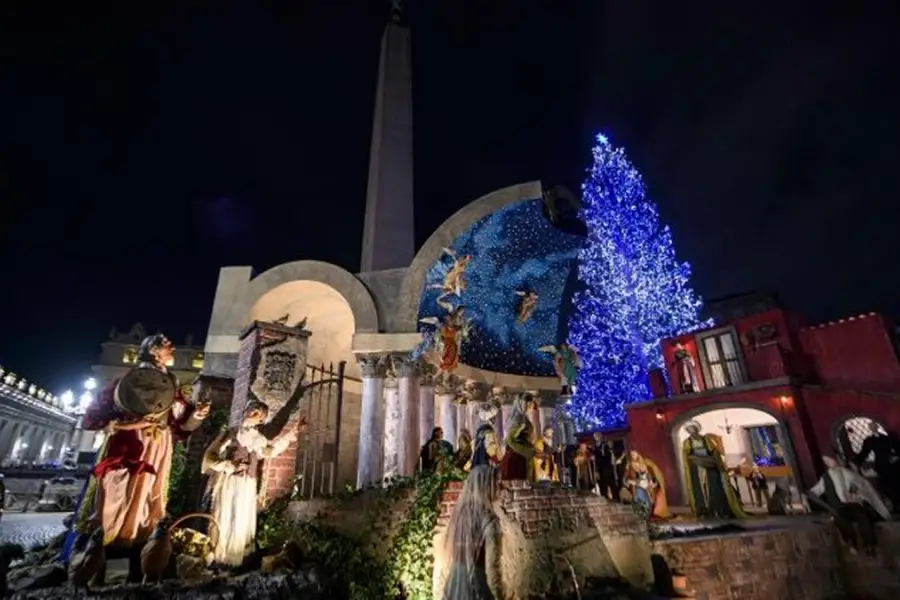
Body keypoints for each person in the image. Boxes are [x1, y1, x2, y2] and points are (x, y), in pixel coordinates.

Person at [62, 334, 209, 573]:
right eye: (166, 345)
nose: (172, 347)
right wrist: (123, 425)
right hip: (129, 441)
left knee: (149, 493)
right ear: (153, 350)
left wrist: (198, 414)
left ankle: (141, 541)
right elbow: (94, 416)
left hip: (159, 444)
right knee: (118, 489)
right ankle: (105, 543)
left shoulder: (171, 383)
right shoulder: (127, 380)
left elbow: (180, 424)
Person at [203, 400, 302, 566]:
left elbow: (270, 451)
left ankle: (234, 561)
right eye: (253, 410)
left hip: (247, 485)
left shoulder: (257, 439)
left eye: (259, 414)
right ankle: (217, 556)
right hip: (230, 483)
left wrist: (291, 434)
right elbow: (210, 457)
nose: (254, 414)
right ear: (245, 411)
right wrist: (229, 465)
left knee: (241, 519)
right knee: (225, 516)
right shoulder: (232, 434)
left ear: (262, 420)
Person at [807, 455, 891, 556]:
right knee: (840, 518)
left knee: (863, 516)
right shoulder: (826, 478)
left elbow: (863, 487)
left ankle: (869, 545)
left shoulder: (850, 474)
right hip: (839, 508)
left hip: (854, 505)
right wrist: (828, 507)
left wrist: (856, 495)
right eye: (827, 461)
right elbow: (813, 493)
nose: (830, 462)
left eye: (831, 459)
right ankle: (852, 543)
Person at [442, 465, 502, 600]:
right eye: (496, 483)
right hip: (477, 587)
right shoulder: (490, 521)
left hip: (454, 585)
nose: (500, 488)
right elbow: (493, 570)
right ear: (486, 486)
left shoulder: (460, 514)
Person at [681, 421, 746, 519]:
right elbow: (687, 455)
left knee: (715, 487)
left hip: (710, 468)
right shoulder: (686, 442)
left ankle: (718, 510)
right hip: (697, 469)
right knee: (699, 490)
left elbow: (713, 452)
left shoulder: (706, 439)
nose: (691, 431)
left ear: (696, 429)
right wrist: (695, 458)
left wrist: (709, 459)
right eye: (688, 429)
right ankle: (703, 511)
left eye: (692, 428)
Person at [854, 422, 900, 510]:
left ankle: (896, 503)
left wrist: (896, 457)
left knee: (895, 483)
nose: (873, 428)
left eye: (874, 426)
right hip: (881, 465)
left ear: (877, 427)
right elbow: (864, 453)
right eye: (871, 427)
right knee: (886, 485)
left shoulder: (887, 438)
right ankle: (894, 504)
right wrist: (856, 461)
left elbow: (897, 449)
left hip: (891, 465)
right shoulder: (870, 440)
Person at [501, 394, 538, 481]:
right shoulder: (516, 419)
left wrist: (532, 448)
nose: (527, 406)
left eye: (529, 404)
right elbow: (511, 440)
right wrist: (529, 452)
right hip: (516, 456)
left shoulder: (524, 418)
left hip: (523, 456)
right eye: (525, 403)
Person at [624, 450, 670, 520]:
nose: (633, 456)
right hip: (638, 486)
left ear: (637, 454)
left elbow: (648, 474)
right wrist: (630, 481)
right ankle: (642, 515)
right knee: (639, 499)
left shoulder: (643, 463)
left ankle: (647, 514)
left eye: (634, 454)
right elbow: (627, 477)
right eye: (632, 455)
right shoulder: (630, 465)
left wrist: (650, 481)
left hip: (645, 485)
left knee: (648, 500)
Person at [593, 433, 619, 501]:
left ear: (600, 437)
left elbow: (607, 455)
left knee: (611, 481)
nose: (596, 438)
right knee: (601, 482)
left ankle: (615, 497)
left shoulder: (605, 445)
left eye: (597, 436)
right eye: (595, 437)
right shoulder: (595, 446)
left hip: (607, 466)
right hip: (599, 467)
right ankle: (604, 496)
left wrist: (596, 458)